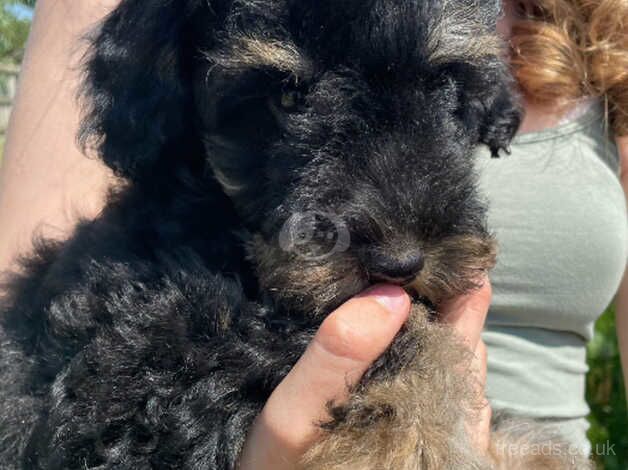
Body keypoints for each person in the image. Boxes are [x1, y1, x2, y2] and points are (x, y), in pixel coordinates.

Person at [0, 0, 624, 467]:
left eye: (440, 94)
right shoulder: (146, 276)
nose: (400, 246)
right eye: (290, 102)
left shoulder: (610, 33)